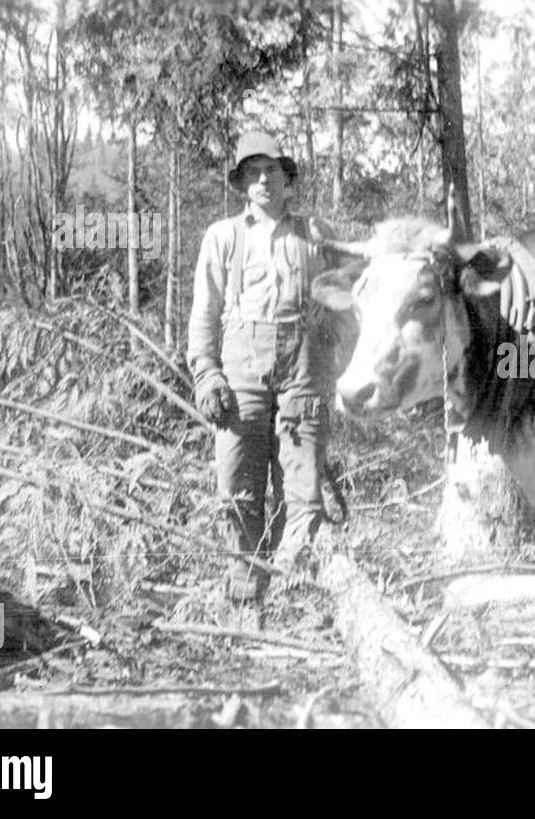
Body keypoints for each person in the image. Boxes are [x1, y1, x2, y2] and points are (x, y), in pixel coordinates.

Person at [187, 131, 332, 606]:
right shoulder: (223, 237)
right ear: (242, 183)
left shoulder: (314, 235)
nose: (263, 179)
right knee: (237, 483)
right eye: (253, 171)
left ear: (287, 179)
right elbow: (204, 315)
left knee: (302, 484)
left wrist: (332, 351)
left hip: (302, 366)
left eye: (271, 170)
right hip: (240, 366)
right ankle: (247, 592)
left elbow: (349, 301)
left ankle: (298, 594)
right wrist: (207, 374)